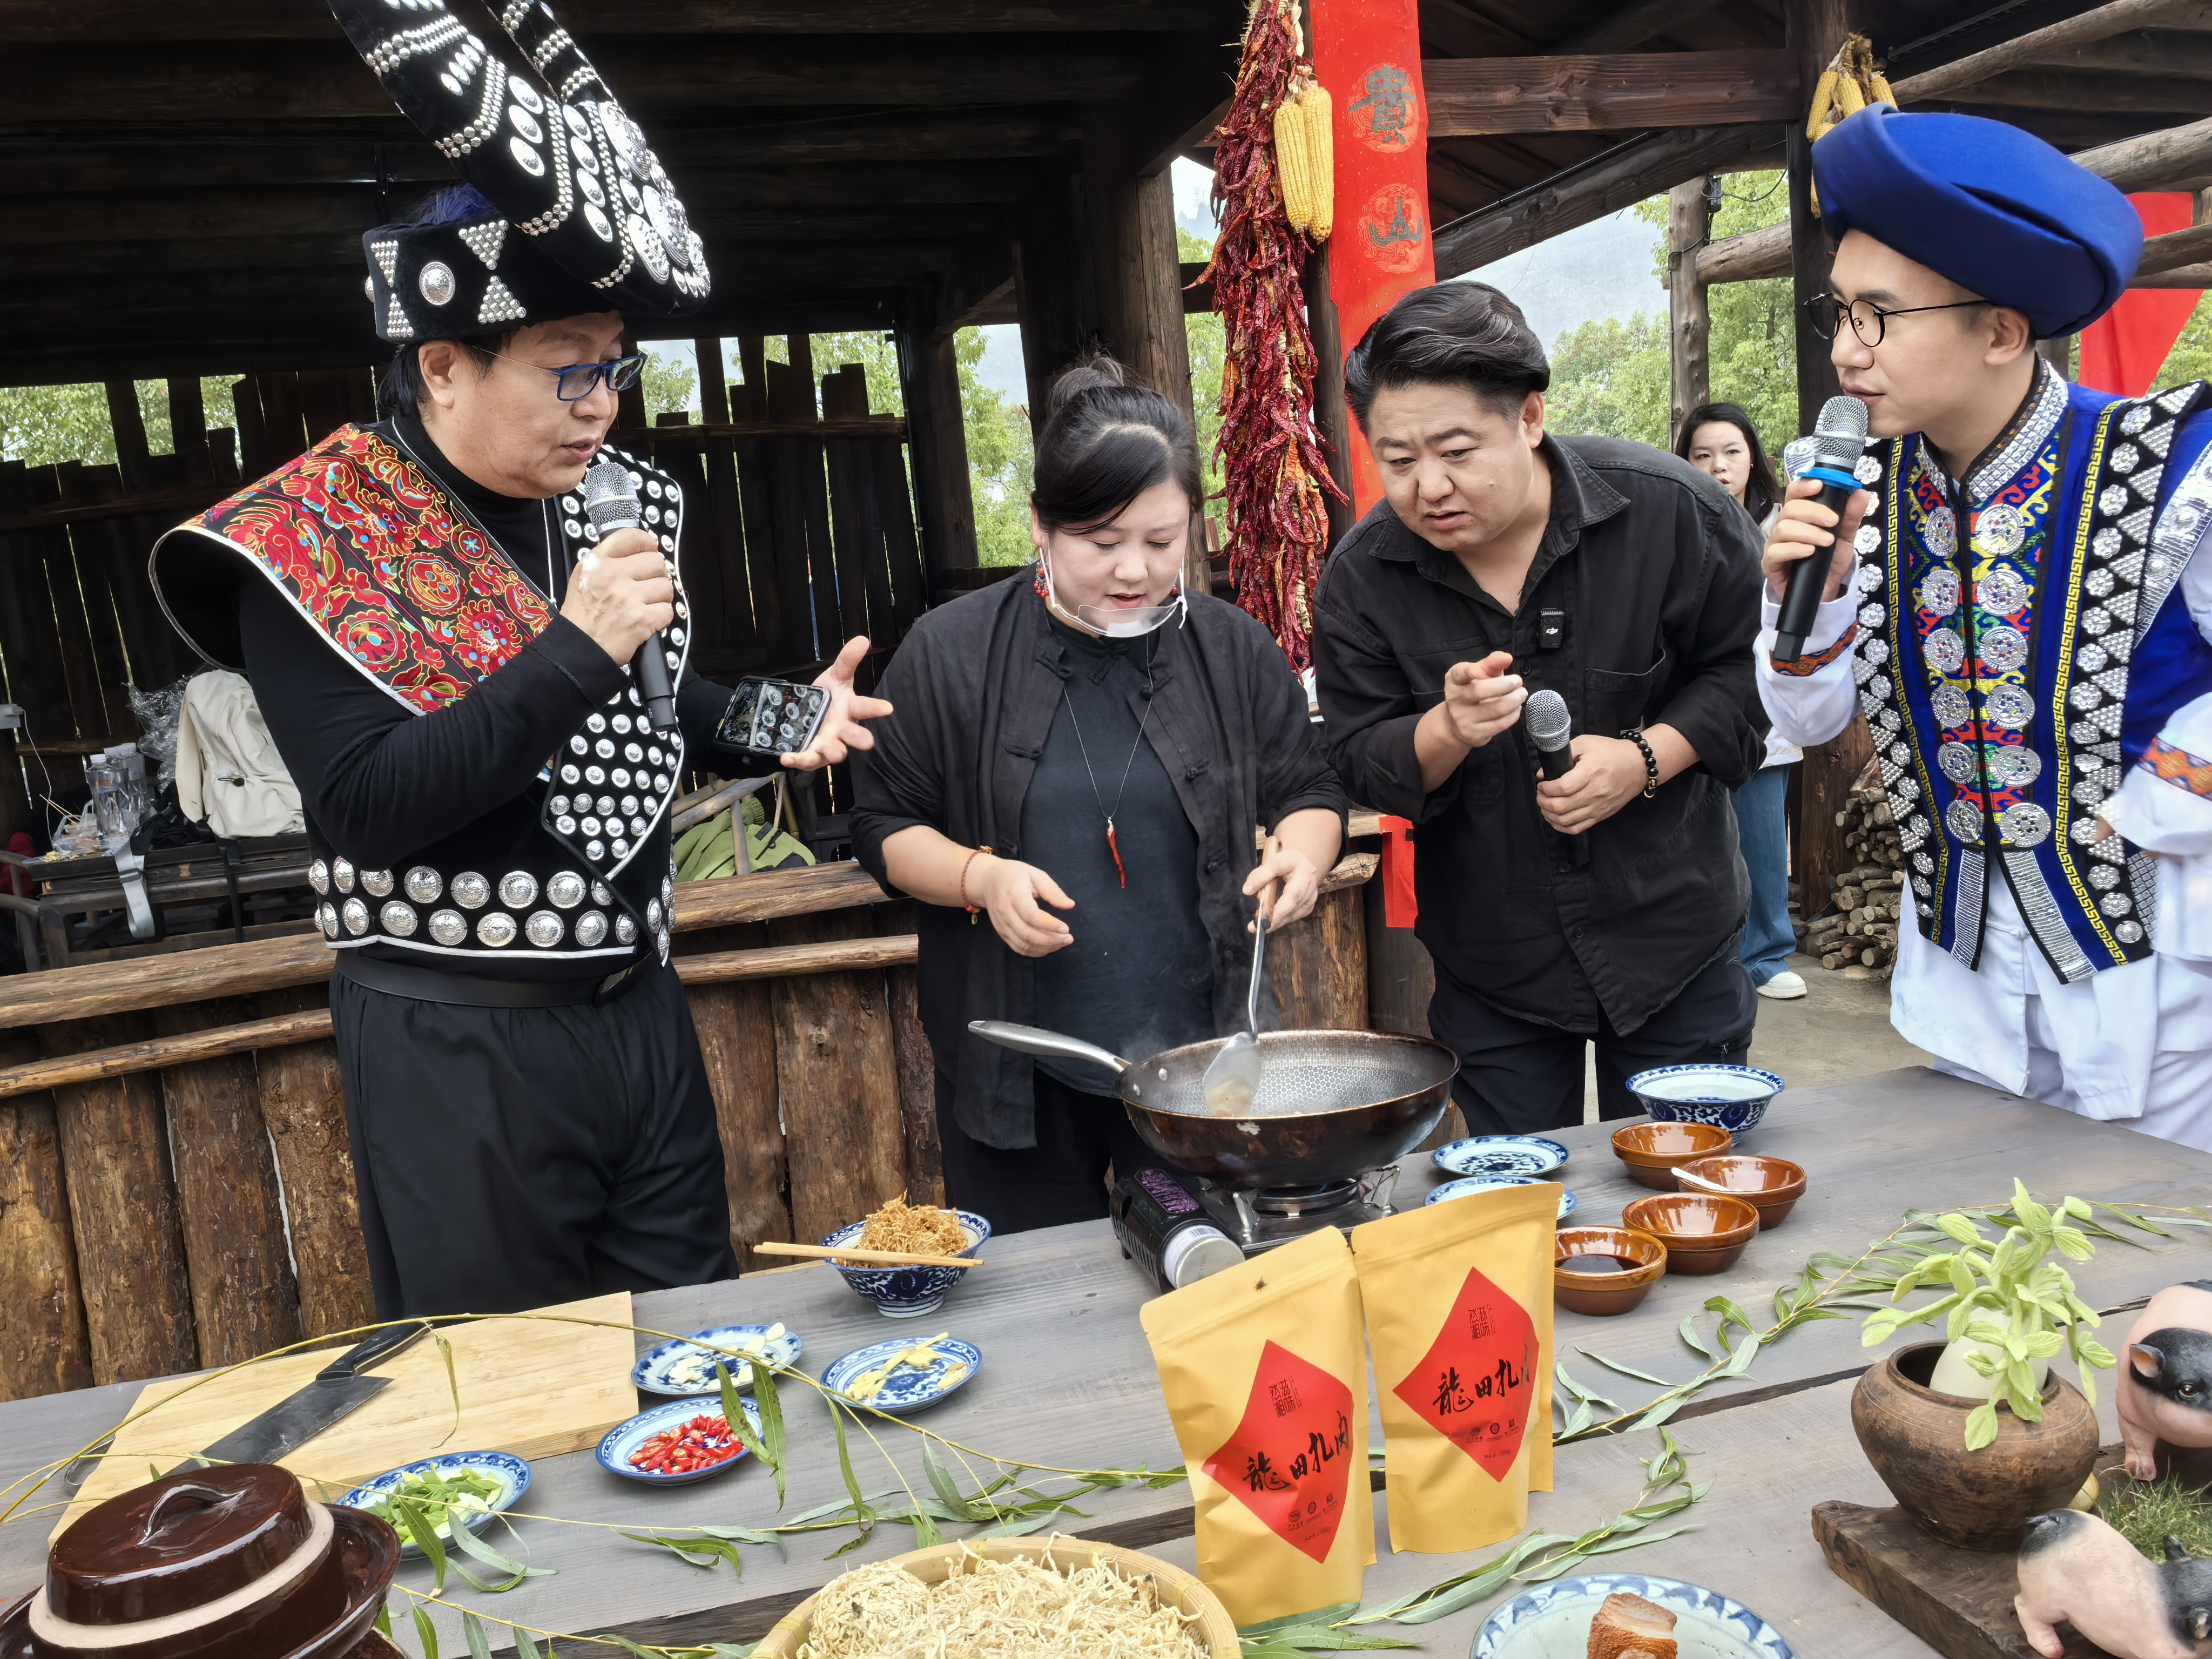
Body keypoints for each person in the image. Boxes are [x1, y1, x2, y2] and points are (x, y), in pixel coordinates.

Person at [148, 6, 887, 1319]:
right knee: (505, 1392)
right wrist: (574, 645)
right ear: (442, 365)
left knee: (693, 1344)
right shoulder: (309, 538)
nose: (599, 403)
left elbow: (652, 706)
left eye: (611, 368)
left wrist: (779, 713)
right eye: (564, 372)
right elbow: (369, 804)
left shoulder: (610, 499)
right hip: (454, 1040)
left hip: (643, 1010)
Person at [1759, 104, 2212, 1150]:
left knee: (2151, 1268)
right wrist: (1812, 588)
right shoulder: (1851, 489)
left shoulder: (2169, 468)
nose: (1845, 350)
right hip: (1960, 982)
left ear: (2000, 330)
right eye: (1835, 313)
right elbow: (1808, 713)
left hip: (2157, 982)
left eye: (1878, 316)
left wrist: (2145, 802)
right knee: (1989, 1254)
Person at [851, 358, 1345, 1232]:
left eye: (1162, 543)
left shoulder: (1228, 649)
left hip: (1205, 1063)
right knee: (1048, 1302)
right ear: (1041, 524)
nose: (1134, 572)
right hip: (1024, 1059)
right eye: (1102, 542)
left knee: (1213, 1282)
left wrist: (1303, 857)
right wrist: (980, 879)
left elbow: (1310, 786)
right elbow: (884, 827)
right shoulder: (951, 651)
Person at [1312, 282, 1769, 1137]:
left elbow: (1751, 679)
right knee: (1520, 1212)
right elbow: (1357, 757)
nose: (1428, 487)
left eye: (1455, 450)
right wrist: (1443, 732)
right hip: (1497, 963)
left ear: (1528, 417)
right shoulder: (1363, 579)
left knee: (1692, 1186)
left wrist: (1646, 757)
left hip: (1673, 936)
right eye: (1397, 460)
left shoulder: (1677, 514)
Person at [1677, 402, 1805, 1001]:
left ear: (1753, 457)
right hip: (1692, 706)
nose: (1717, 466)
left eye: (1729, 452)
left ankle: (1767, 955)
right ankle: (1708, 955)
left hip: (1764, 702)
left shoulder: (1786, 523)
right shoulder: (1673, 521)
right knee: (1697, 833)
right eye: (1701, 455)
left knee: (1760, 833)